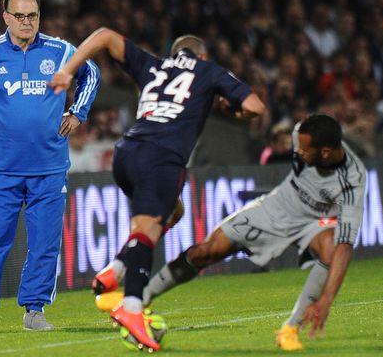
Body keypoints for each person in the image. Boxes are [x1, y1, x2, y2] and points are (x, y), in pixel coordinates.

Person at [49, 28, 265, 351]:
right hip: (162, 158)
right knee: (147, 230)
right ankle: (132, 307)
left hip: (127, 154)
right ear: (202, 56)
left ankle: (116, 270)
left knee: (174, 211)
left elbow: (105, 35)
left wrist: (67, 70)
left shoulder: (153, 65)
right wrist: (232, 109)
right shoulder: (209, 71)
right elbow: (255, 107)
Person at [0, 0, 100, 333]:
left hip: (49, 167)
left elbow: (92, 73)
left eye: (32, 16)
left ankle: (35, 311)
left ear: (39, 17)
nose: (26, 22)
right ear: (6, 18)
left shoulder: (60, 51)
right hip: (3, 169)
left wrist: (78, 112)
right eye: (20, 16)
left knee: (44, 244)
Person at [141, 114, 366, 351]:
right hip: (275, 207)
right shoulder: (302, 134)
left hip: (312, 222)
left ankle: (291, 329)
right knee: (206, 252)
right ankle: (140, 300)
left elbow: (345, 247)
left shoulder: (352, 181)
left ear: (326, 153)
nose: (297, 151)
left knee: (331, 249)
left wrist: (326, 300)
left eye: (305, 149)